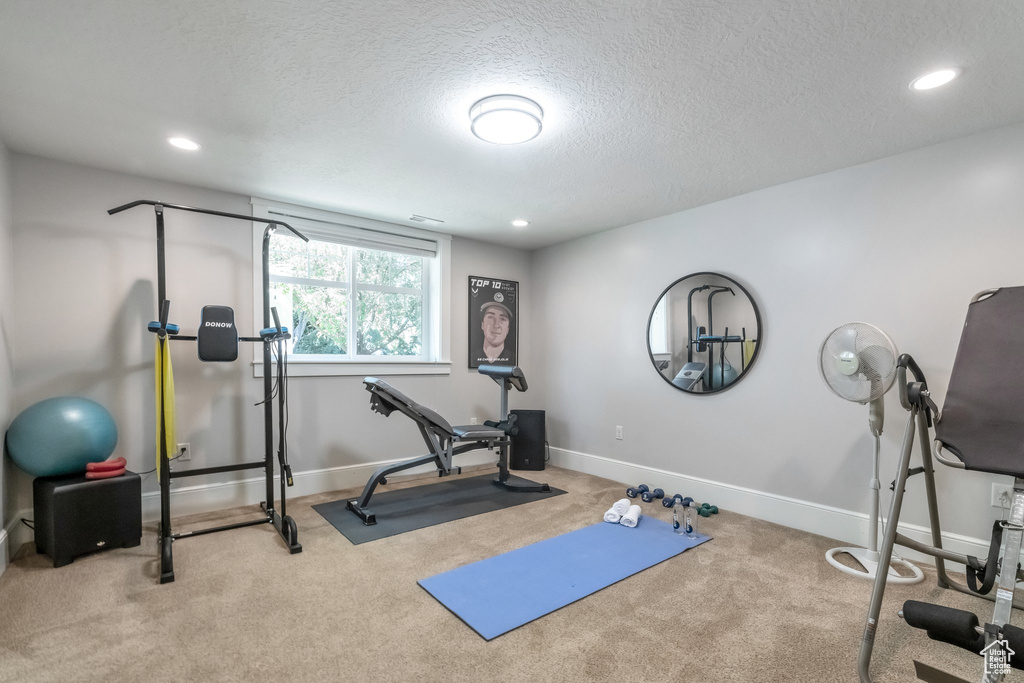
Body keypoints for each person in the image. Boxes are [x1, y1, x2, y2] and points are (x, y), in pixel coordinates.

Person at [477, 300, 513, 365]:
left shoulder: (513, 359)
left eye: (502, 319)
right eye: (490, 317)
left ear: (508, 329)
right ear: (482, 324)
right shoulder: (472, 358)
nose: (496, 325)